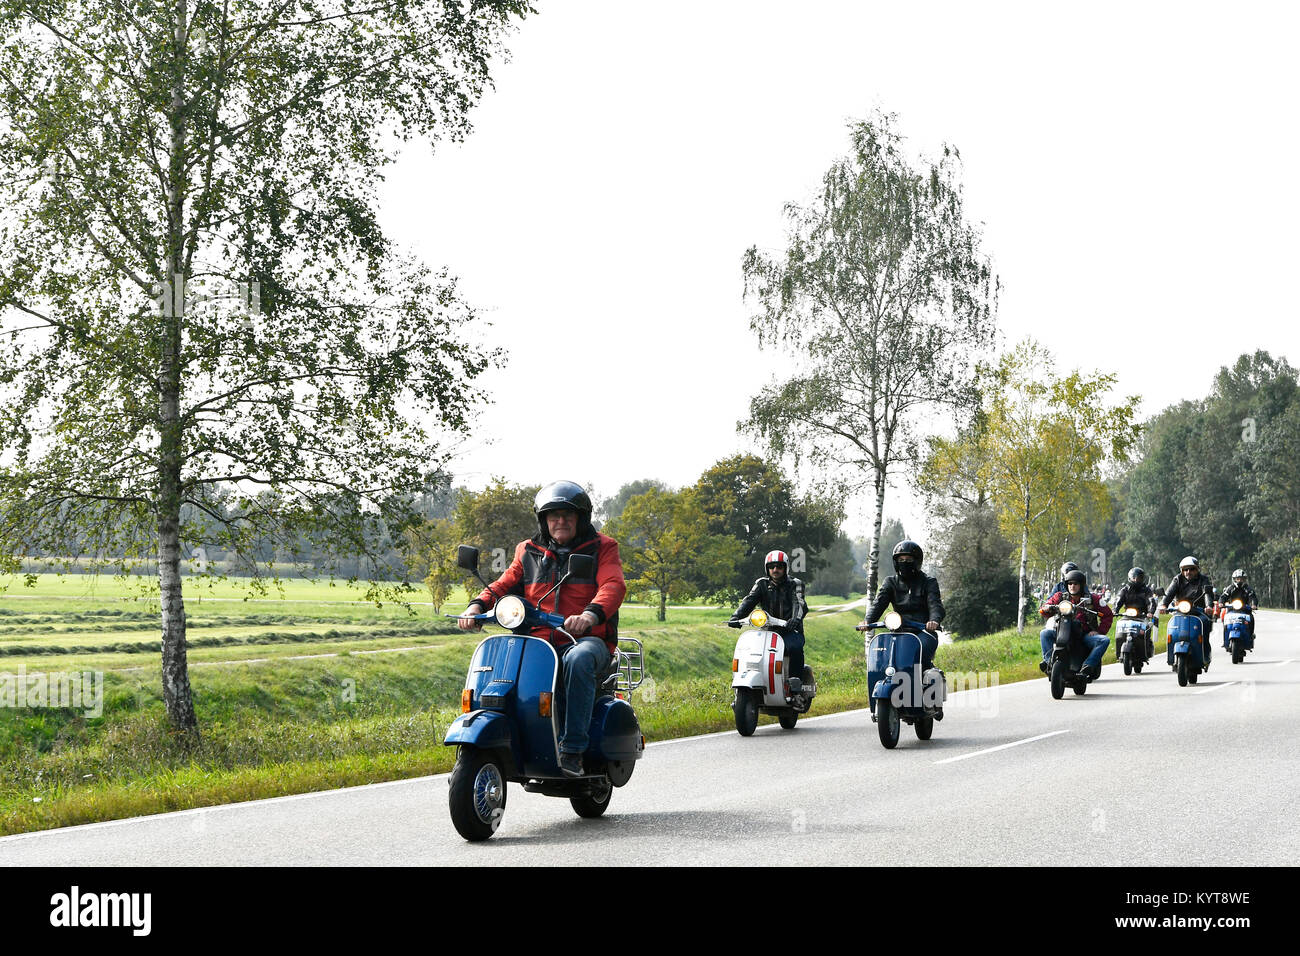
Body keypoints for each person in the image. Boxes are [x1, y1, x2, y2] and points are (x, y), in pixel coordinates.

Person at [457, 480, 626, 777]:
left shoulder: (603, 547)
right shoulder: (528, 550)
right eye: (553, 516)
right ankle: (512, 737)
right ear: (543, 520)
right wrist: (477, 606)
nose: (560, 521)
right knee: (504, 663)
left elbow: (613, 585)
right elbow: (505, 584)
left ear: (581, 518)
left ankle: (572, 749)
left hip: (585, 638)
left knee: (578, 659)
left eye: (567, 515)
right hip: (537, 640)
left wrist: (589, 615)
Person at [733, 549, 810, 694]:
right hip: (768, 631)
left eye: (779, 566)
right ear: (767, 568)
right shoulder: (761, 584)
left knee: (794, 648)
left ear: (785, 567)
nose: (775, 570)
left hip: (791, 630)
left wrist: (795, 619)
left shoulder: (795, 584)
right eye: (771, 566)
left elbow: (798, 603)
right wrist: (735, 617)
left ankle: (796, 685)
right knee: (752, 651)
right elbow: (749, 601)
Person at [859, 540, 944, 671]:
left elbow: (935, 604)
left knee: (918, 652)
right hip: (898, 632)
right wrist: (868, 621)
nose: (904, 563)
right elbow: (879, 603)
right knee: (883, 658)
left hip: (924, 632)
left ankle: (925, 676)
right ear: (895, 562)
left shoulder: (928, 582)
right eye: (901, 559)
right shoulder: (890, 582)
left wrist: (933, 621)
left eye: (908, 559)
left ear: (917, 561)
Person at [1038, 569, 1112, 679]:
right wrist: (1045, 608)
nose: (1072, 586)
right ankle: (1049, 662)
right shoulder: (1060, 597)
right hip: (1062, 631)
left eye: (1076, 583)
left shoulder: (1092, 599)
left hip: (1084, 634)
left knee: (1104, 640)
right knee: (1045, 633)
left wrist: (1098, 631)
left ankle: (1088, 665)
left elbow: (1108, 615)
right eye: (1070, 583)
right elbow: (1047, 608)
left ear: (1081, 585)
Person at [1158, 556, 1215, 670]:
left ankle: (1205, 655)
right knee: (1173, 630)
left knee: (1205, 624)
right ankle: (1172, 657)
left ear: (1197, 569)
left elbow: (1207, 593)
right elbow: (1169, 593)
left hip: (1199, 611)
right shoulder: (1177, 579)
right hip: (1180, 610)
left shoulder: (1203, 579)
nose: (1188, 572)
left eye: (1191, 569)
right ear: (1182, 571)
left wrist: (1208, 606)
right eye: (1185, 569)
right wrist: (1164, 604)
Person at [1111, 566, 1158, 660]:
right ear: (1130, 578)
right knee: (1120, 627)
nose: (1136, 579)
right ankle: (1119, 653)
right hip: (1127, 615)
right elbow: (1118, 600)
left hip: (1142, 615)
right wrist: (1114, 610)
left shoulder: (1146, 590)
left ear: (1142, 578)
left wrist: (1150, 612)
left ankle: (1146, 650)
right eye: (1134, 577)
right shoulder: (1125, 590)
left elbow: (1151, 601)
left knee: (1147, 628)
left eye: (1139, 577)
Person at [1218, 568, 1259, 646]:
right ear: (1234, 579)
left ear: (1245, 580)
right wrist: (1221, 603)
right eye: (1238, 579)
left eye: (1242, 579)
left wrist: (1253, 605)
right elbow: (1223, 597)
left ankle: (1250, 636)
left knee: (1251, 618)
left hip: (1245, 610)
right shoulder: (1230, 588)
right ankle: (1225, 639)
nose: (1240, 580)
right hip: (1231, 610)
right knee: (1225, 619)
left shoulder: (1248, 589)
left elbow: (1253, 597)